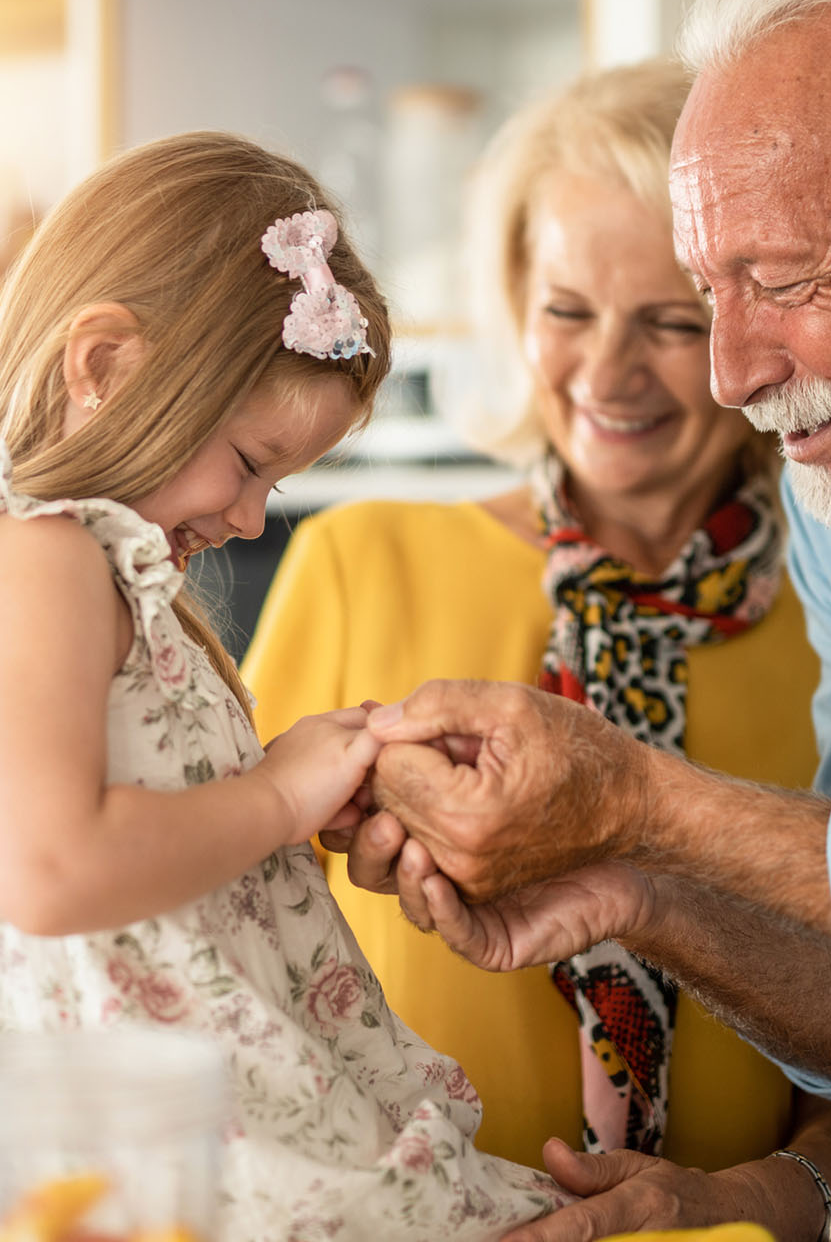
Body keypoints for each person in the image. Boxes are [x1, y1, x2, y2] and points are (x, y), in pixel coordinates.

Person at [338, 0, 831, 1242]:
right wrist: (640, 898)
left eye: (777, 277)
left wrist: (649, 807)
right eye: (709, 291)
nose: (728, 373)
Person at [244, 61, 831, 1241]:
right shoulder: (361, 564)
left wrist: (749, 1205)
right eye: (568, 310)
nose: (610, 374)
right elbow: (226, 971)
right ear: (515, 300)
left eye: (672, 322)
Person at [0, 130, 573, 1242]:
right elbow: (49, 868)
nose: (253, 519)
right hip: (171, 1131)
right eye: (251, 462)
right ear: (105, 366)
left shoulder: (110, 575)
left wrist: (294, 790)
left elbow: (154, 832)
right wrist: (274, 799)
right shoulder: (44, 557)